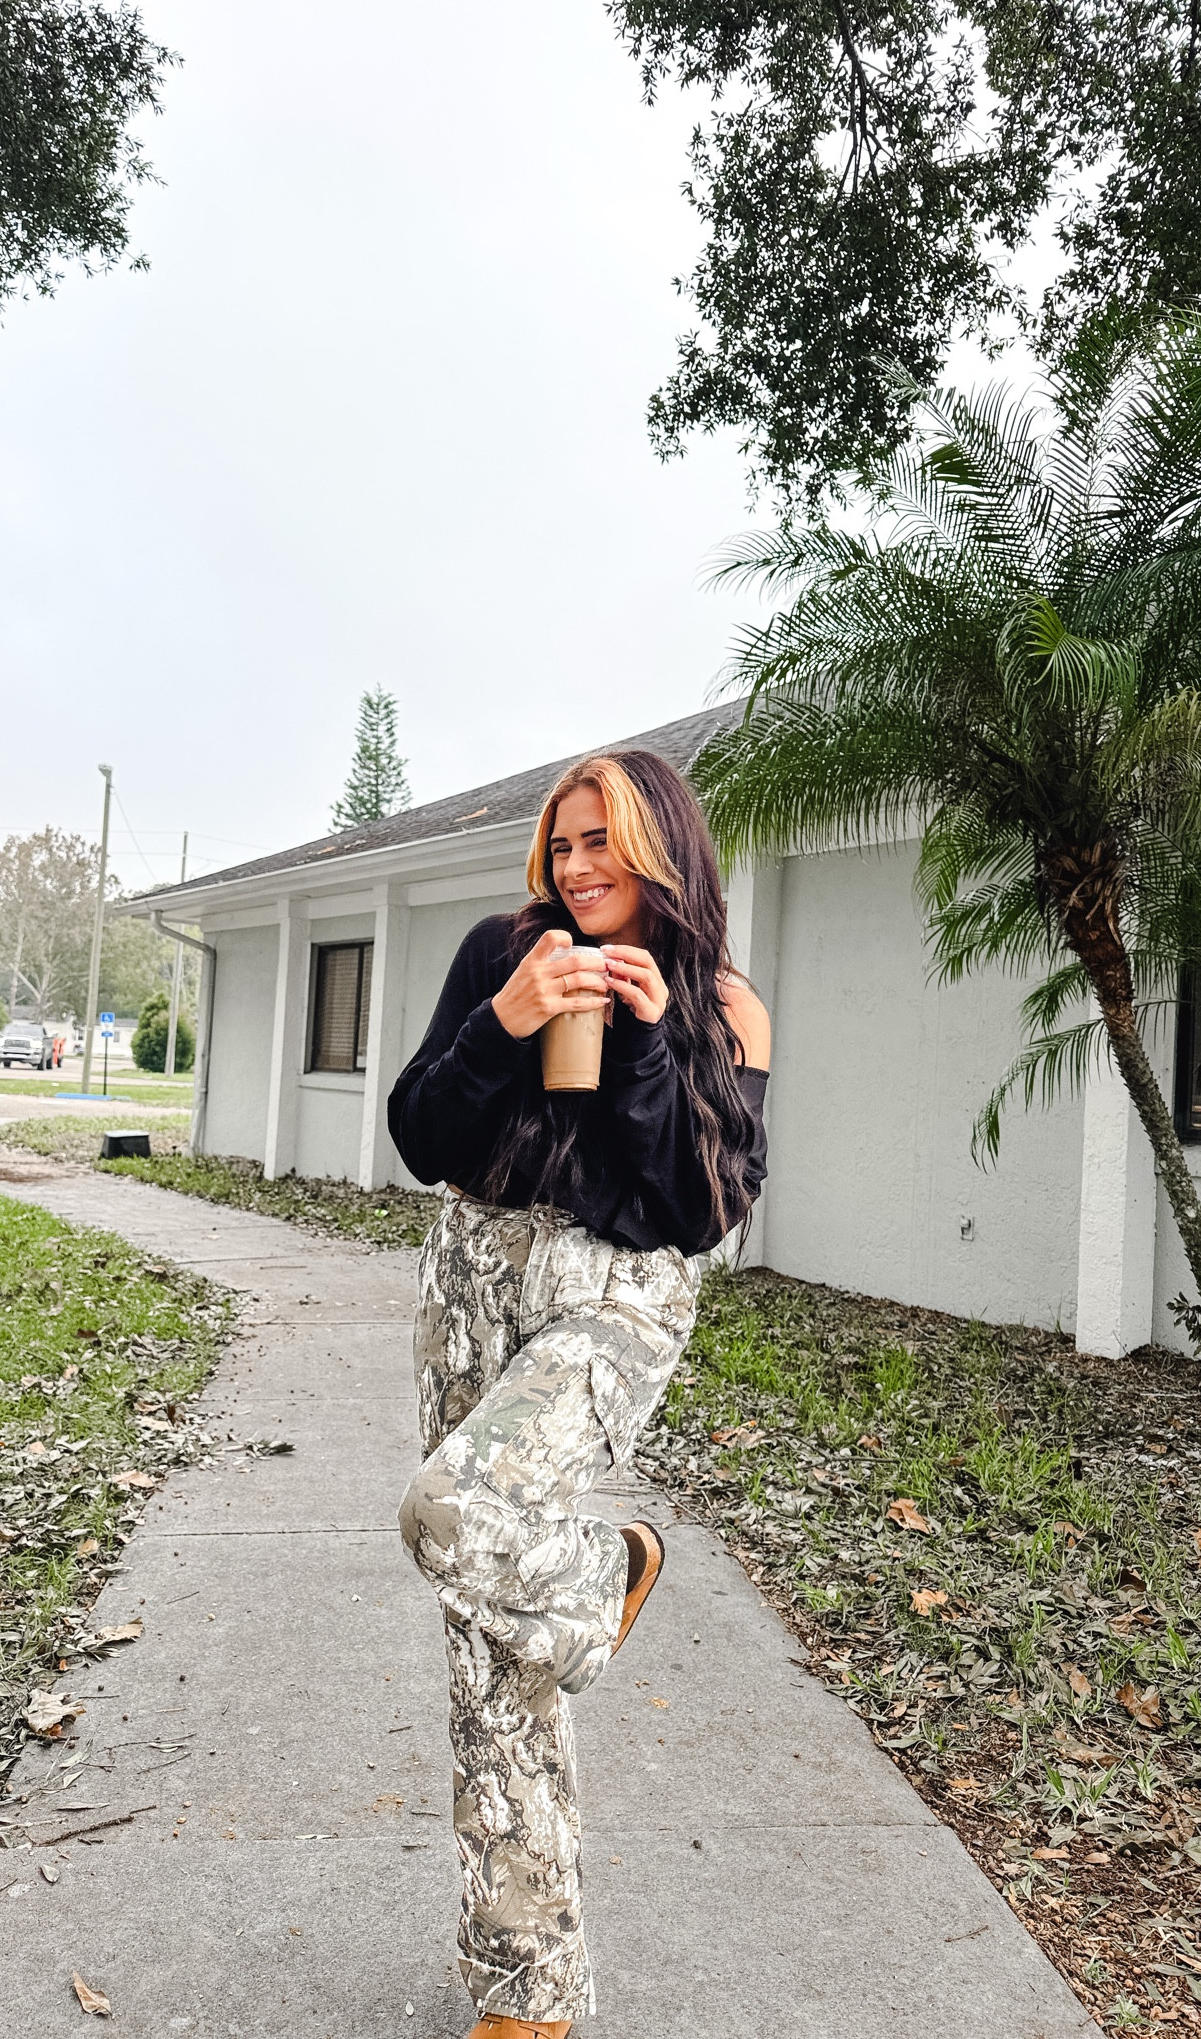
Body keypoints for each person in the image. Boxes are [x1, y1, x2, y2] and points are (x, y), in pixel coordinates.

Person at [389, 748, 770, 2038]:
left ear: (663, 848)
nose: (580, 866)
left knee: (456, 1514)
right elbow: (422, 1135)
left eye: (604, 840)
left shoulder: (725, 1003)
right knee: (491, 1660)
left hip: (615, 1298)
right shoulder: (505, 949)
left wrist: (655, 1035)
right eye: (563, 845)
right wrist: (507, 1018)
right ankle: (525, 1995)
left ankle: (611, 1568)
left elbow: (698, 1204)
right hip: (474, 1278)